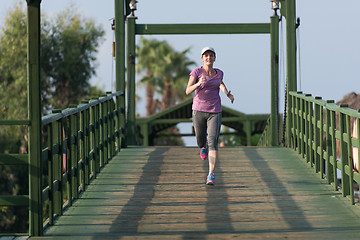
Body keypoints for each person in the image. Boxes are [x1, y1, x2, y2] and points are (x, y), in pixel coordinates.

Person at [185, 46, 234, 185]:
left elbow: (220, 84)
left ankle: (211, 174)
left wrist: (227, 94)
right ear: (202, 58)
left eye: (211, 55)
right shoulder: (196, 72)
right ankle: (203, 146)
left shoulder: (219, 73)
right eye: (206, 56)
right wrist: (198, 84)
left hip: (215, 111)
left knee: (213, 142)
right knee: (200, 140)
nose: (208, 58)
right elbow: (188, 90)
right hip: (198, 110)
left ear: (214, 58)